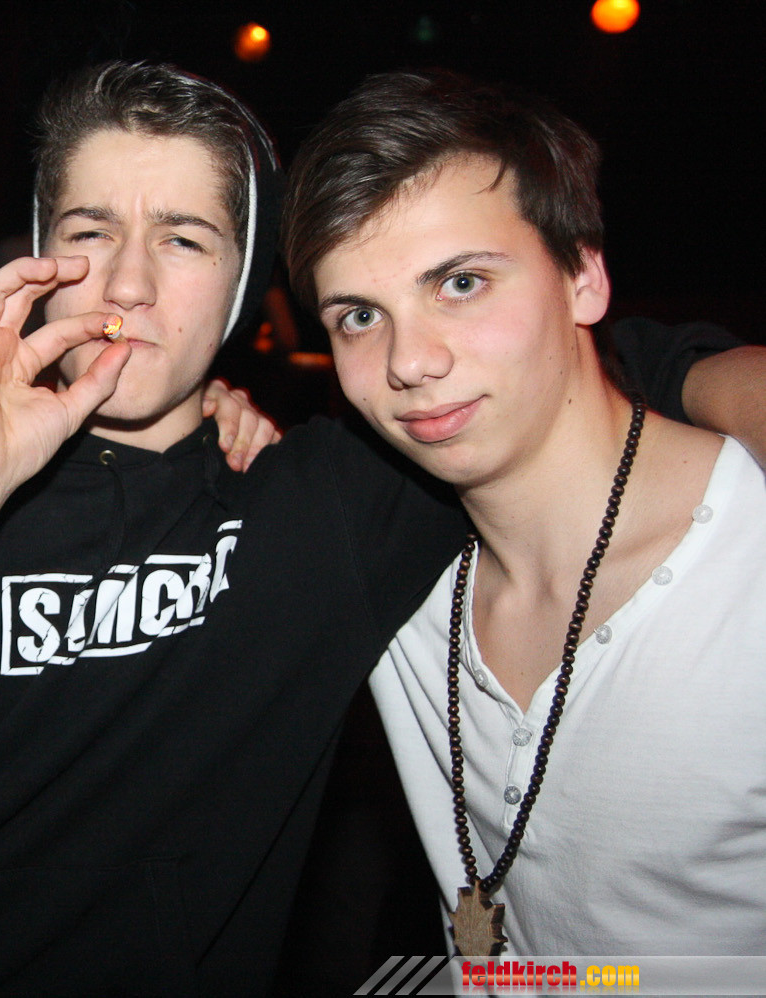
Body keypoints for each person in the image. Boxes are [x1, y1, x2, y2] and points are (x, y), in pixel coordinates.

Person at [0, 61, 753, 994]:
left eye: (184, 238)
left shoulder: (329, 501)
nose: (127, 284)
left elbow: (568, 365)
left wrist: (719, 382)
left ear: (245, 284)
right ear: (39, 256)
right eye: (89, 233)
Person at [281, 69, 766, 958]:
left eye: (462, 283)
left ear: (584, 277)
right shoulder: (388, 566)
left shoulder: (746, 565)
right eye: (359, 316)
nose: (409, 361)